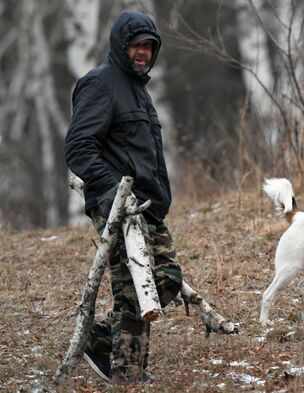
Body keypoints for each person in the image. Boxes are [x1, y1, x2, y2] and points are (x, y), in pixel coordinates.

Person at [64, 11, 183, 384]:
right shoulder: (100, 83)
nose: (143, 52)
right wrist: (116, 190)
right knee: (134, 286)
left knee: (166, 279)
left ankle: (99, 340)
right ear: (120, 46)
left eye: (149, 46)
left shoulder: (138, 90)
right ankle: (128, 375)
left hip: (148, 207)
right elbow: (79, 148)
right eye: (136, 45)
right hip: (118, 207)